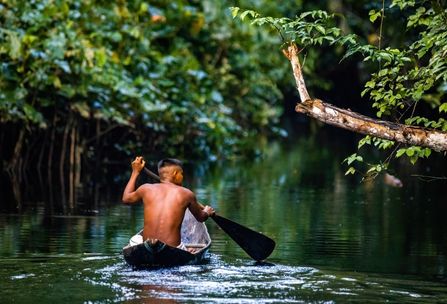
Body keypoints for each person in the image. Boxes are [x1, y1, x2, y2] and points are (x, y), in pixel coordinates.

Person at [122, 156, 215, 250]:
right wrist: (207, 211)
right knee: (189, 250)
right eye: (181, 174)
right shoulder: (187, 194)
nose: (182, 177)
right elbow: (201, 218)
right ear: (175, 173)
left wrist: (135, 172)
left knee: (136, 239)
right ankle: (188, 250)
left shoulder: (146, 188)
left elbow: (126, 199)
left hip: (148, 247)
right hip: (173, 249)